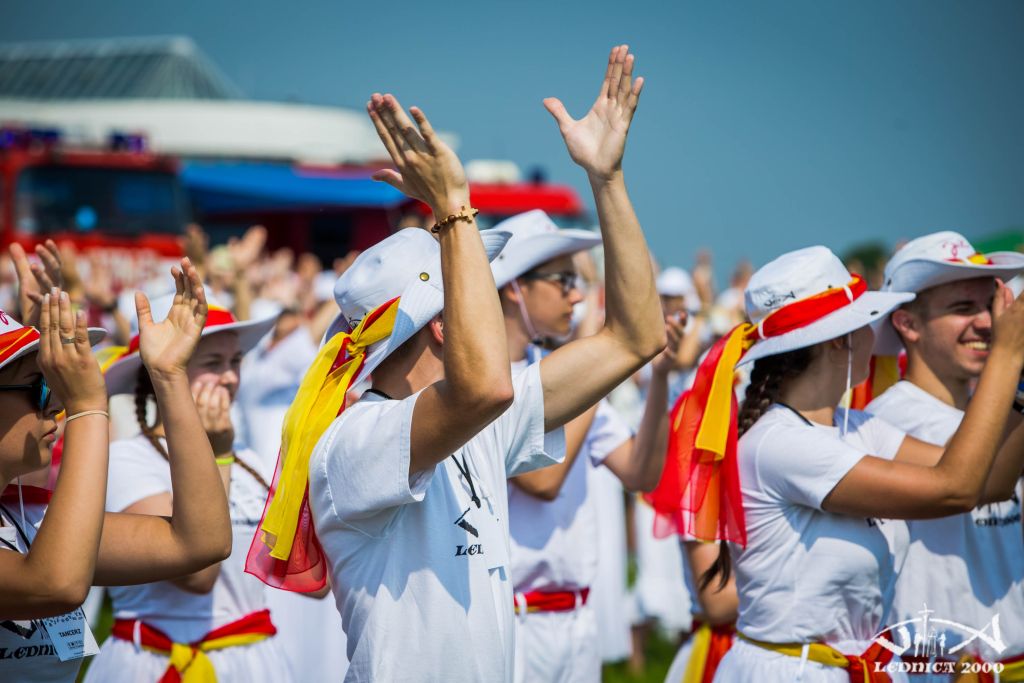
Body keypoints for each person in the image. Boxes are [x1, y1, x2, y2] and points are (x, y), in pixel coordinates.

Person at [245, 44, 664, 682]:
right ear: (442, 326)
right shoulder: (353, 442)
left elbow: (636, 338)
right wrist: (451, 211)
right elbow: (483, 389)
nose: (495, 310)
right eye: (481, 298)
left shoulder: (478, 420)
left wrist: (607, 180)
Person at [646, 245, 1024, 682]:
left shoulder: (859, 426)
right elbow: (954, 487)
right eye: (866, 322)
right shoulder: (779, 443)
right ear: (838, 340)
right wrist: (1007, 356)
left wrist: (1018, 383)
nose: (875, 334)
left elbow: (989, 481)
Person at [0, 256, 232, 682]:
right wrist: (88, 407)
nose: (57, 402)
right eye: (42, 385)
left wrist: (168, 376)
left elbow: (200, 543)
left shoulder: (24, 516)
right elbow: (56, 584)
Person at [490, 208, 679, 682]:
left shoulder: (565, 373)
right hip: (514, 622)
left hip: (577, 619)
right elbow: (541, 479)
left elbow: (640, 473)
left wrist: (659, 375)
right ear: (515, 286)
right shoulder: (484, 383)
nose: (576, 295)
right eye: (562, 280)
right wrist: (605, 356)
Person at [84, 291, 292, 682]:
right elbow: (198, 575)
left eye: (236, 361)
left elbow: (300, 574)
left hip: (254, 661)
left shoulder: (251, 458)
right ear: (164, 371)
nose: (230, 377)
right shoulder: (128, 459)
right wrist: (218, 457)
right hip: (159, 661)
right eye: (213, 363)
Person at [866, 231, 1024, 679]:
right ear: (907, 325)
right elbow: (987, 481)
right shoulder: (892, 420)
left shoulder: (997, 413)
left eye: (990, 306)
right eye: (962, 308)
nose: (989, 324)